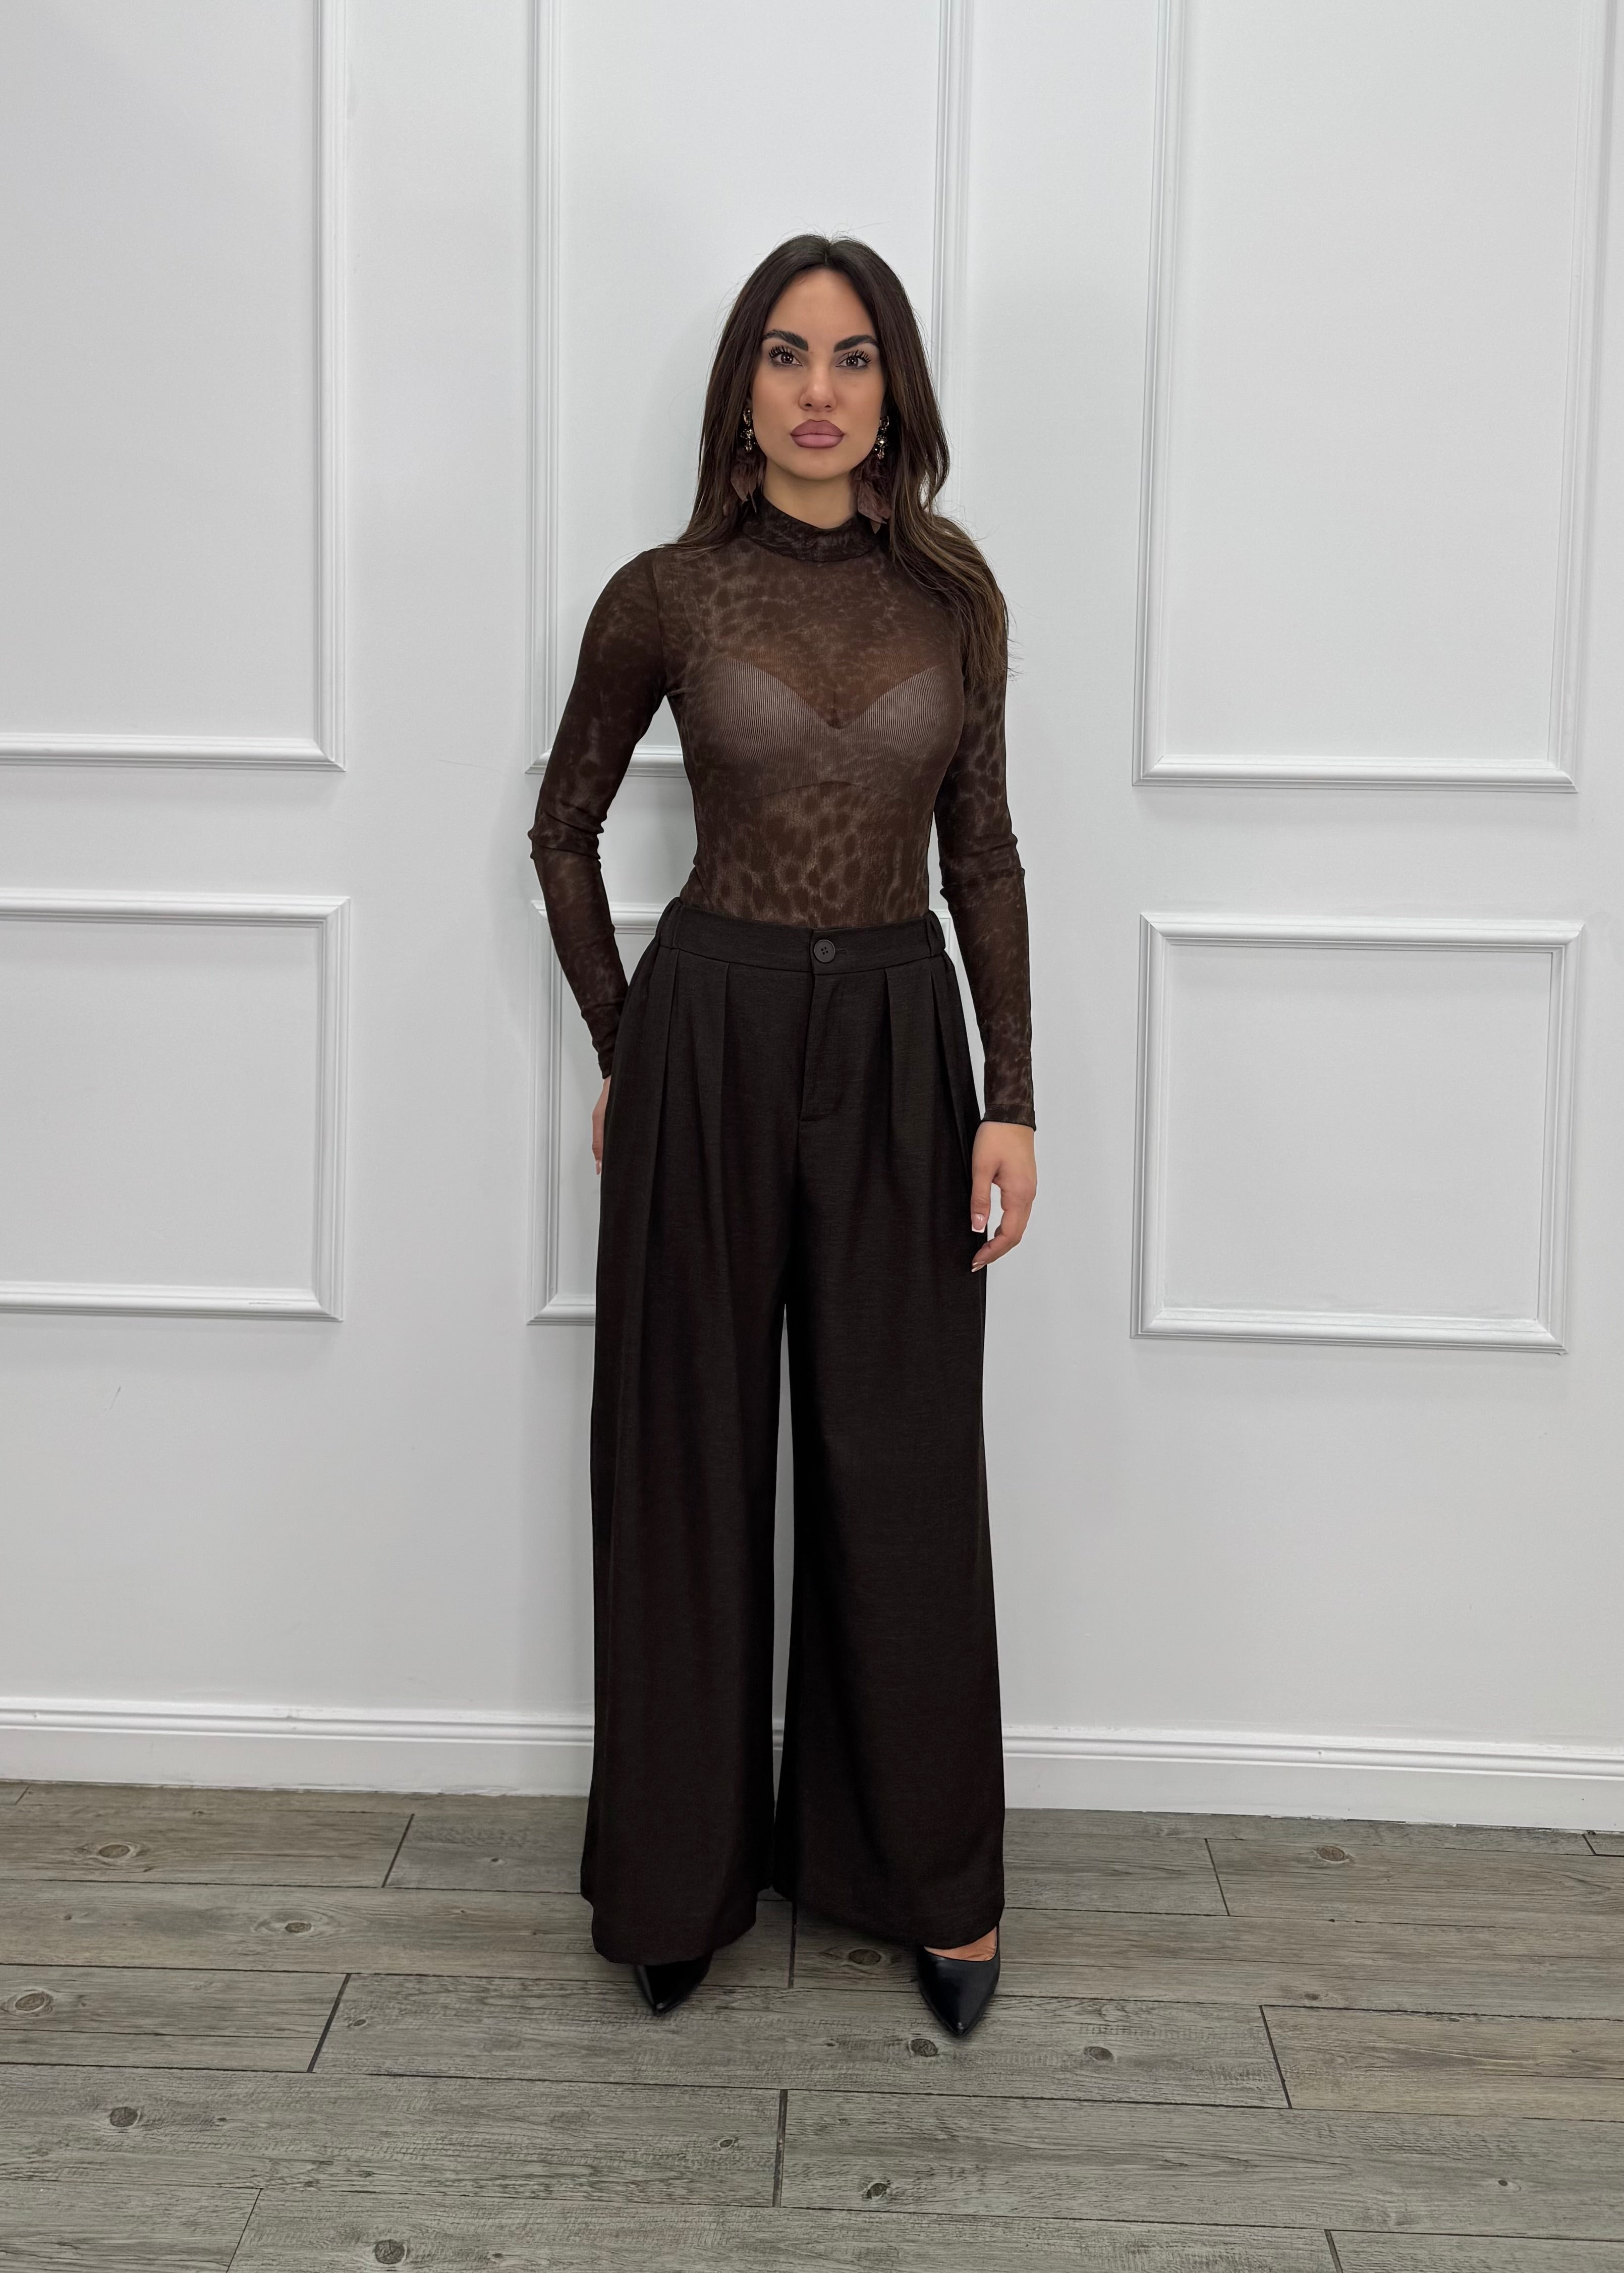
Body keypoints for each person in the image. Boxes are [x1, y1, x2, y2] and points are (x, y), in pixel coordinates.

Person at [528, 234, 1036, 2040]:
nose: (818, 389)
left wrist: (1010, 1095)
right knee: (687, 1457)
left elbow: (981, 851)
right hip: (711, 1031)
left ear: (894, 392)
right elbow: (565, 829)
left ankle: (931, 1881)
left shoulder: (955, 598)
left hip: (901, 1041)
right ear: (740, 388)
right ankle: (675, 1881)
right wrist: (630, 1042)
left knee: (900, 1465)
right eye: (784, 353)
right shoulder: (663, 594)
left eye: (853, 355)